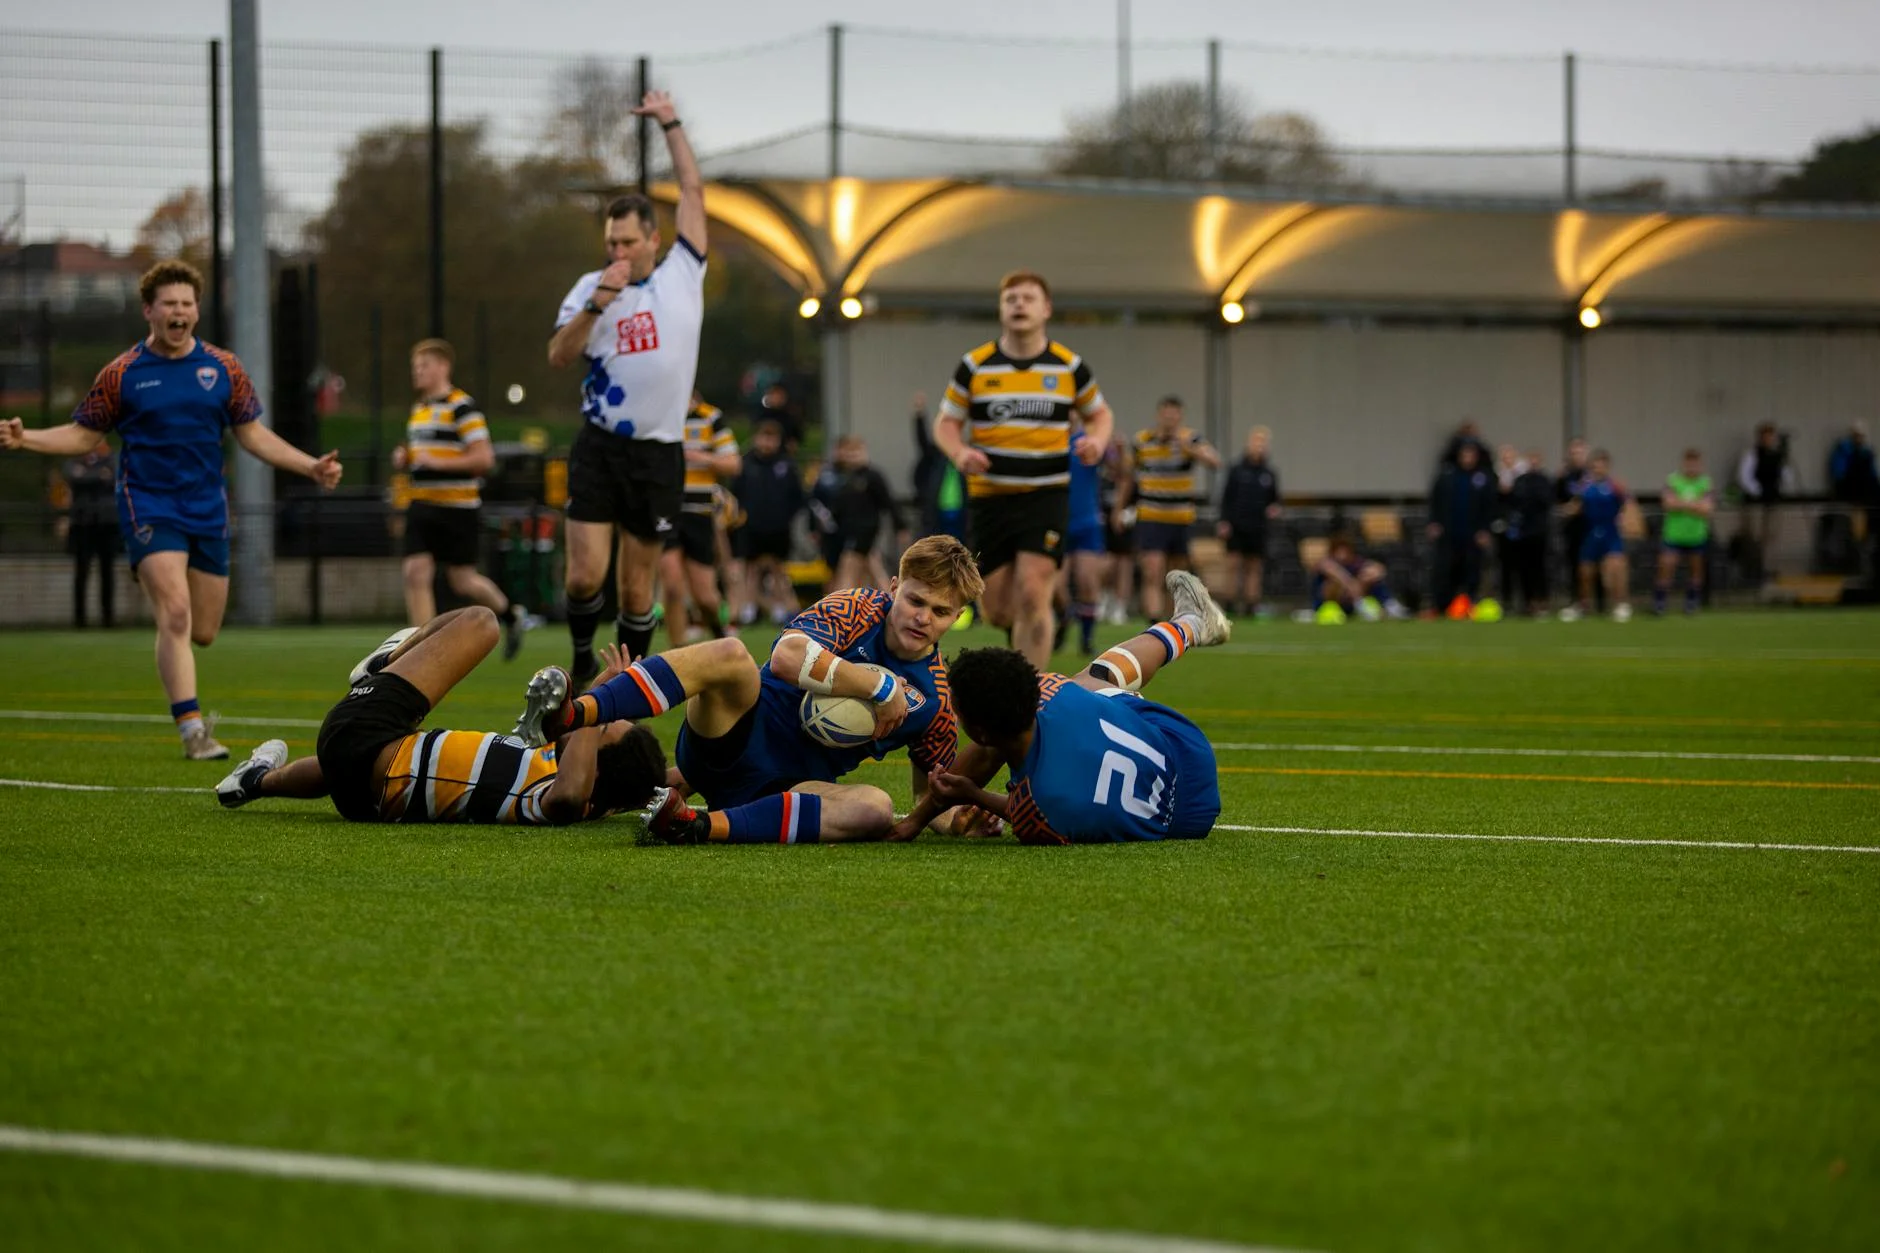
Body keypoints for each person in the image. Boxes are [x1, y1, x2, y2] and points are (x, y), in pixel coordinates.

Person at [0, 258, 342, 761]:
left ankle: (164, 583)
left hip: (207, 508)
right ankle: (193, 730)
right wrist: (25, 438)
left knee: (202, 631)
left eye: (187, 303)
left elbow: (252, 435)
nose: (179, 312)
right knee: (175, 613)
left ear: (196, 311)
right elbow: (84, 434)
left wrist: (310, 466)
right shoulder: (122, 373)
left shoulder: (224, 368)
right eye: (170, 304)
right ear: (150, 311)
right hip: (148, 504)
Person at [521, 535, 987, 846]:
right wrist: (880, 684)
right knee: (730, 654)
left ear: (957, 616)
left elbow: (931, 793)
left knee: (874, 807)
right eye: (915, 600)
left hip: (781, 790)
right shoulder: (858, 607)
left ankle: (695, 824)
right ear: (893, 587)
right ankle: (571, 714)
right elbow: (785, 657)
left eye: (942, 611)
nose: (923, 618)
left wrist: (961, 819)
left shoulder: (936, 701)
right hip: (732, 735)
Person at [213, 607, 665, 824]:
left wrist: (590, 701)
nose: (593, 718)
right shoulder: (568, 779)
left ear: (594, 773)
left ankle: (385, 665)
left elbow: (570, 795)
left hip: (364, 737)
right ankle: (255, 781)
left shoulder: (556, 797)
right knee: (387, 757)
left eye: (600, 728)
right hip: (360, 789)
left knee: (482, 623)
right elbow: (665, 778)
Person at [548, 89, 705, 683]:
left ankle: (628, 685)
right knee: (585, 576)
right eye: (611, 242)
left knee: (638, 587)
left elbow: (693, 192)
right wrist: (597, 302)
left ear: (652, 241)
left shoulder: (683, 275)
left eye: (628, 242)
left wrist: (671, 123)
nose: (617, 250)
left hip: (658, 452)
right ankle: (582, 656)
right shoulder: (591, 287)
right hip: (600, 445)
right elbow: (559, 354)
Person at [893, 570, 1231, 845]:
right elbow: (1015, 787)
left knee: (1093, 681)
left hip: (1189, 821)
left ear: (979, 732)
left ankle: (1192, 622)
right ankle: (1189, 623)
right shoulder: (1051, 691)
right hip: (1189, 751)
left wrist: (961, 800)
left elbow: (1019, 805)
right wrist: (960, 797)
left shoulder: (1040, 813)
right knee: (1094, 679)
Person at [932, 270, 1113, 669]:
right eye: (1011, 298)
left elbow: (1099, 414)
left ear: (1046, 309)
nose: (1019, 305)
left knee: (1033, 594)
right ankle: (1053, 614)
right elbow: (945, 423)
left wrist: (1097, 441)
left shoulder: (1069, 367)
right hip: (990, 499)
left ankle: (1030, 694)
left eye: (1028, 298)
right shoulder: (975, 366)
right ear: (1000, 309)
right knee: (996, 610)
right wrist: (959, 451)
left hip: (1045, 495)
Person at [395, 338, 529, 656]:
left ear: (443, 367)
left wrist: (437, 462)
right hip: (422, 504)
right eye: (415, 367)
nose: (417, 373)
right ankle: (421, 649)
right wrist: (405, 455)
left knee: (462, 580)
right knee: (415, 572)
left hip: (457, 508)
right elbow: (423, 453)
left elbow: (484, 459)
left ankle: (512, 614)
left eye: (424, 366)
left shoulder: (463, 408)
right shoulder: (420, 410)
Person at [659, 390, 740, 649]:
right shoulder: (660, 413)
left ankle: (719, 637)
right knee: (671, 586)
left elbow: (733, 464)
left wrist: (699, 457)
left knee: (705, 597)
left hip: (699, 513)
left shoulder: (710, 417)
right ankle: (677, 654)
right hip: (665, 510)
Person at [1131, 396, 1220, 623]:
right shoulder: (1143, 440)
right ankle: (1153, 621)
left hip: (1179, 517)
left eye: (1174, 414)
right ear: (1159, 415)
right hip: (1151, 514)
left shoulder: (1190, 438)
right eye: (1166, 413)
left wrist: (1188, 448)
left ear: (1180, 416)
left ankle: (1172, 623)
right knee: (1152, 570)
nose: (1170, 418)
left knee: (1175, 574)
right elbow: (1126, 473)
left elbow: (1215, 462)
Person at [732, 418, 805, 625]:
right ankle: (748, 609)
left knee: (778, 569)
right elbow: (736, 494)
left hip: (779, 527)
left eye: (772, 438)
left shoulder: (787, 464)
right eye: (764, 437)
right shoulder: (745, 463)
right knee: (751, 570)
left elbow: (797, 497)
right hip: (751, 526)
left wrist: (786, 517)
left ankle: (784, 609)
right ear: (756, 438)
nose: (767, 443)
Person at [815, 435, 905, 592]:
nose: (853, 457)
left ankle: (842, 606)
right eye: (850, 454)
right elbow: (840, 507)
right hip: (850, 531)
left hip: (865, 530)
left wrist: (900, 526)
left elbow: (888, 502)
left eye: (856, 452)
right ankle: (888, 601)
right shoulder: (846, 478)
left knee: (848, 568)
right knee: (872, 568)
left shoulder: (873, 476)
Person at [1217, 426, 1281, 618]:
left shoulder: (1269, 473)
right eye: (1256, 442)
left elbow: (1275, 499)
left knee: (1254, 566)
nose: (1259, 447)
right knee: (1233, 565)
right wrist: (1224, 521)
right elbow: (1226, 498)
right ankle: (1229, 603)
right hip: (1237, 525)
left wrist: (1274, 509)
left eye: (1263, 443)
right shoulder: (1237, 470)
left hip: (1258, 526)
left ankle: (1252, 604)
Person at [1561, 449, 1631, 622]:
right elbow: (1576, 505)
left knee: (1616, 566)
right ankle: (1583, 605)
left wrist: (1629, 521)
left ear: (1607, 467)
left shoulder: (1615, 486)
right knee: (1585, 572)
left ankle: (1620, 604)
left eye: (1601, 465)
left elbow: (1628, 505)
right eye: (1595, 466)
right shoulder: (1585, 486)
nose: (1598, 469)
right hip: (1590, 532)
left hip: (1610, 532)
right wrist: (1568, 510)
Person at [1426, 442, 1496, 612]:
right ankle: (1441, 604)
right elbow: (1435, 501)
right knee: (1445, 569)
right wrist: (1434, 522)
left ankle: (1469, 602)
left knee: (1472, 569)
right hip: (1449, 533)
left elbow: (1489, 505)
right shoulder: (1447, 477)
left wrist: (1485, 529)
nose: (1467, 459)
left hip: (1472, 534)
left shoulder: (1483, 478)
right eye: (1465, 455)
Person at [59, 443, 119, 628]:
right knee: (81, 572)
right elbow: (73, 477)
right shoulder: (74, 461)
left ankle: (108, 618)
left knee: (107, 572)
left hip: (107, 523)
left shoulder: (113, 459)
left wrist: (86, 475)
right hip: (82, 523)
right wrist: (99, 476)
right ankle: (79, 619)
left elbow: (113, 477)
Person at [1061, 426, 1107, 655]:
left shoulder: (1090, 440)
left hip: (1086, 522)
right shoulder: (1048, 439)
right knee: (1056, 590)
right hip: (1056, 521)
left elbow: (1121, 469)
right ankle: (1061, 622)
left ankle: (1086, 639)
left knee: (1087, 581)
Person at [1655, 448, 1714, 616]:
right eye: (1689, 463)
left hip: (1696, 535)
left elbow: (1707, 508)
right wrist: (1693, 504)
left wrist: (1682, 503)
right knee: (1666, 566)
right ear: (1684, 463)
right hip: (1674, 534)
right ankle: (1660, 602)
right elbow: (1668, 504)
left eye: (1695, 463)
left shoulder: (1705, 482)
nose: (1692, 466)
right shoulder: (1673, 480)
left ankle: (1691, 602)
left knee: (1696, 570)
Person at [1735, 423, 1793, 578]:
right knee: (1753, 535)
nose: (1769, 440)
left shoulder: (1778, 456)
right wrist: (1758, 491)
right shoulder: (1752, 454)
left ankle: (1767, 568)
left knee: (1771, 535)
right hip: (1756, 501)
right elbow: (1744, 477)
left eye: (1771, 437)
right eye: (1766, 437)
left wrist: (1778, 487)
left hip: (1773, 500)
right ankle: (1752, 568)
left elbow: (1787, 476)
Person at [1503, 449, 1553, 615]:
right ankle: (1527, 602)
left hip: (1538, 531)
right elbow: (1513, 503)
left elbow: (1546, 502)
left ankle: (1541, 601)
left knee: (1539, 567)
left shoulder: (1544, 481)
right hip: (1522, 533)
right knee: (1523, 569)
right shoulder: (1520, 481)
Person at [1313, 534, 1407, 618]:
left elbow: (1379, 570)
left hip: (1354, 597)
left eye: (1344, 551)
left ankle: (1390, 605)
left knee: (1371, 580)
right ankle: (1360, 604)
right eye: (1339, 551)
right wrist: (1349, 584)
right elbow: (1329, 568)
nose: (1342, 555)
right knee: (1333, 584)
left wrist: (1361, 581)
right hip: (1332, 601)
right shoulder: (1327, 563)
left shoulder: (1356, 563)